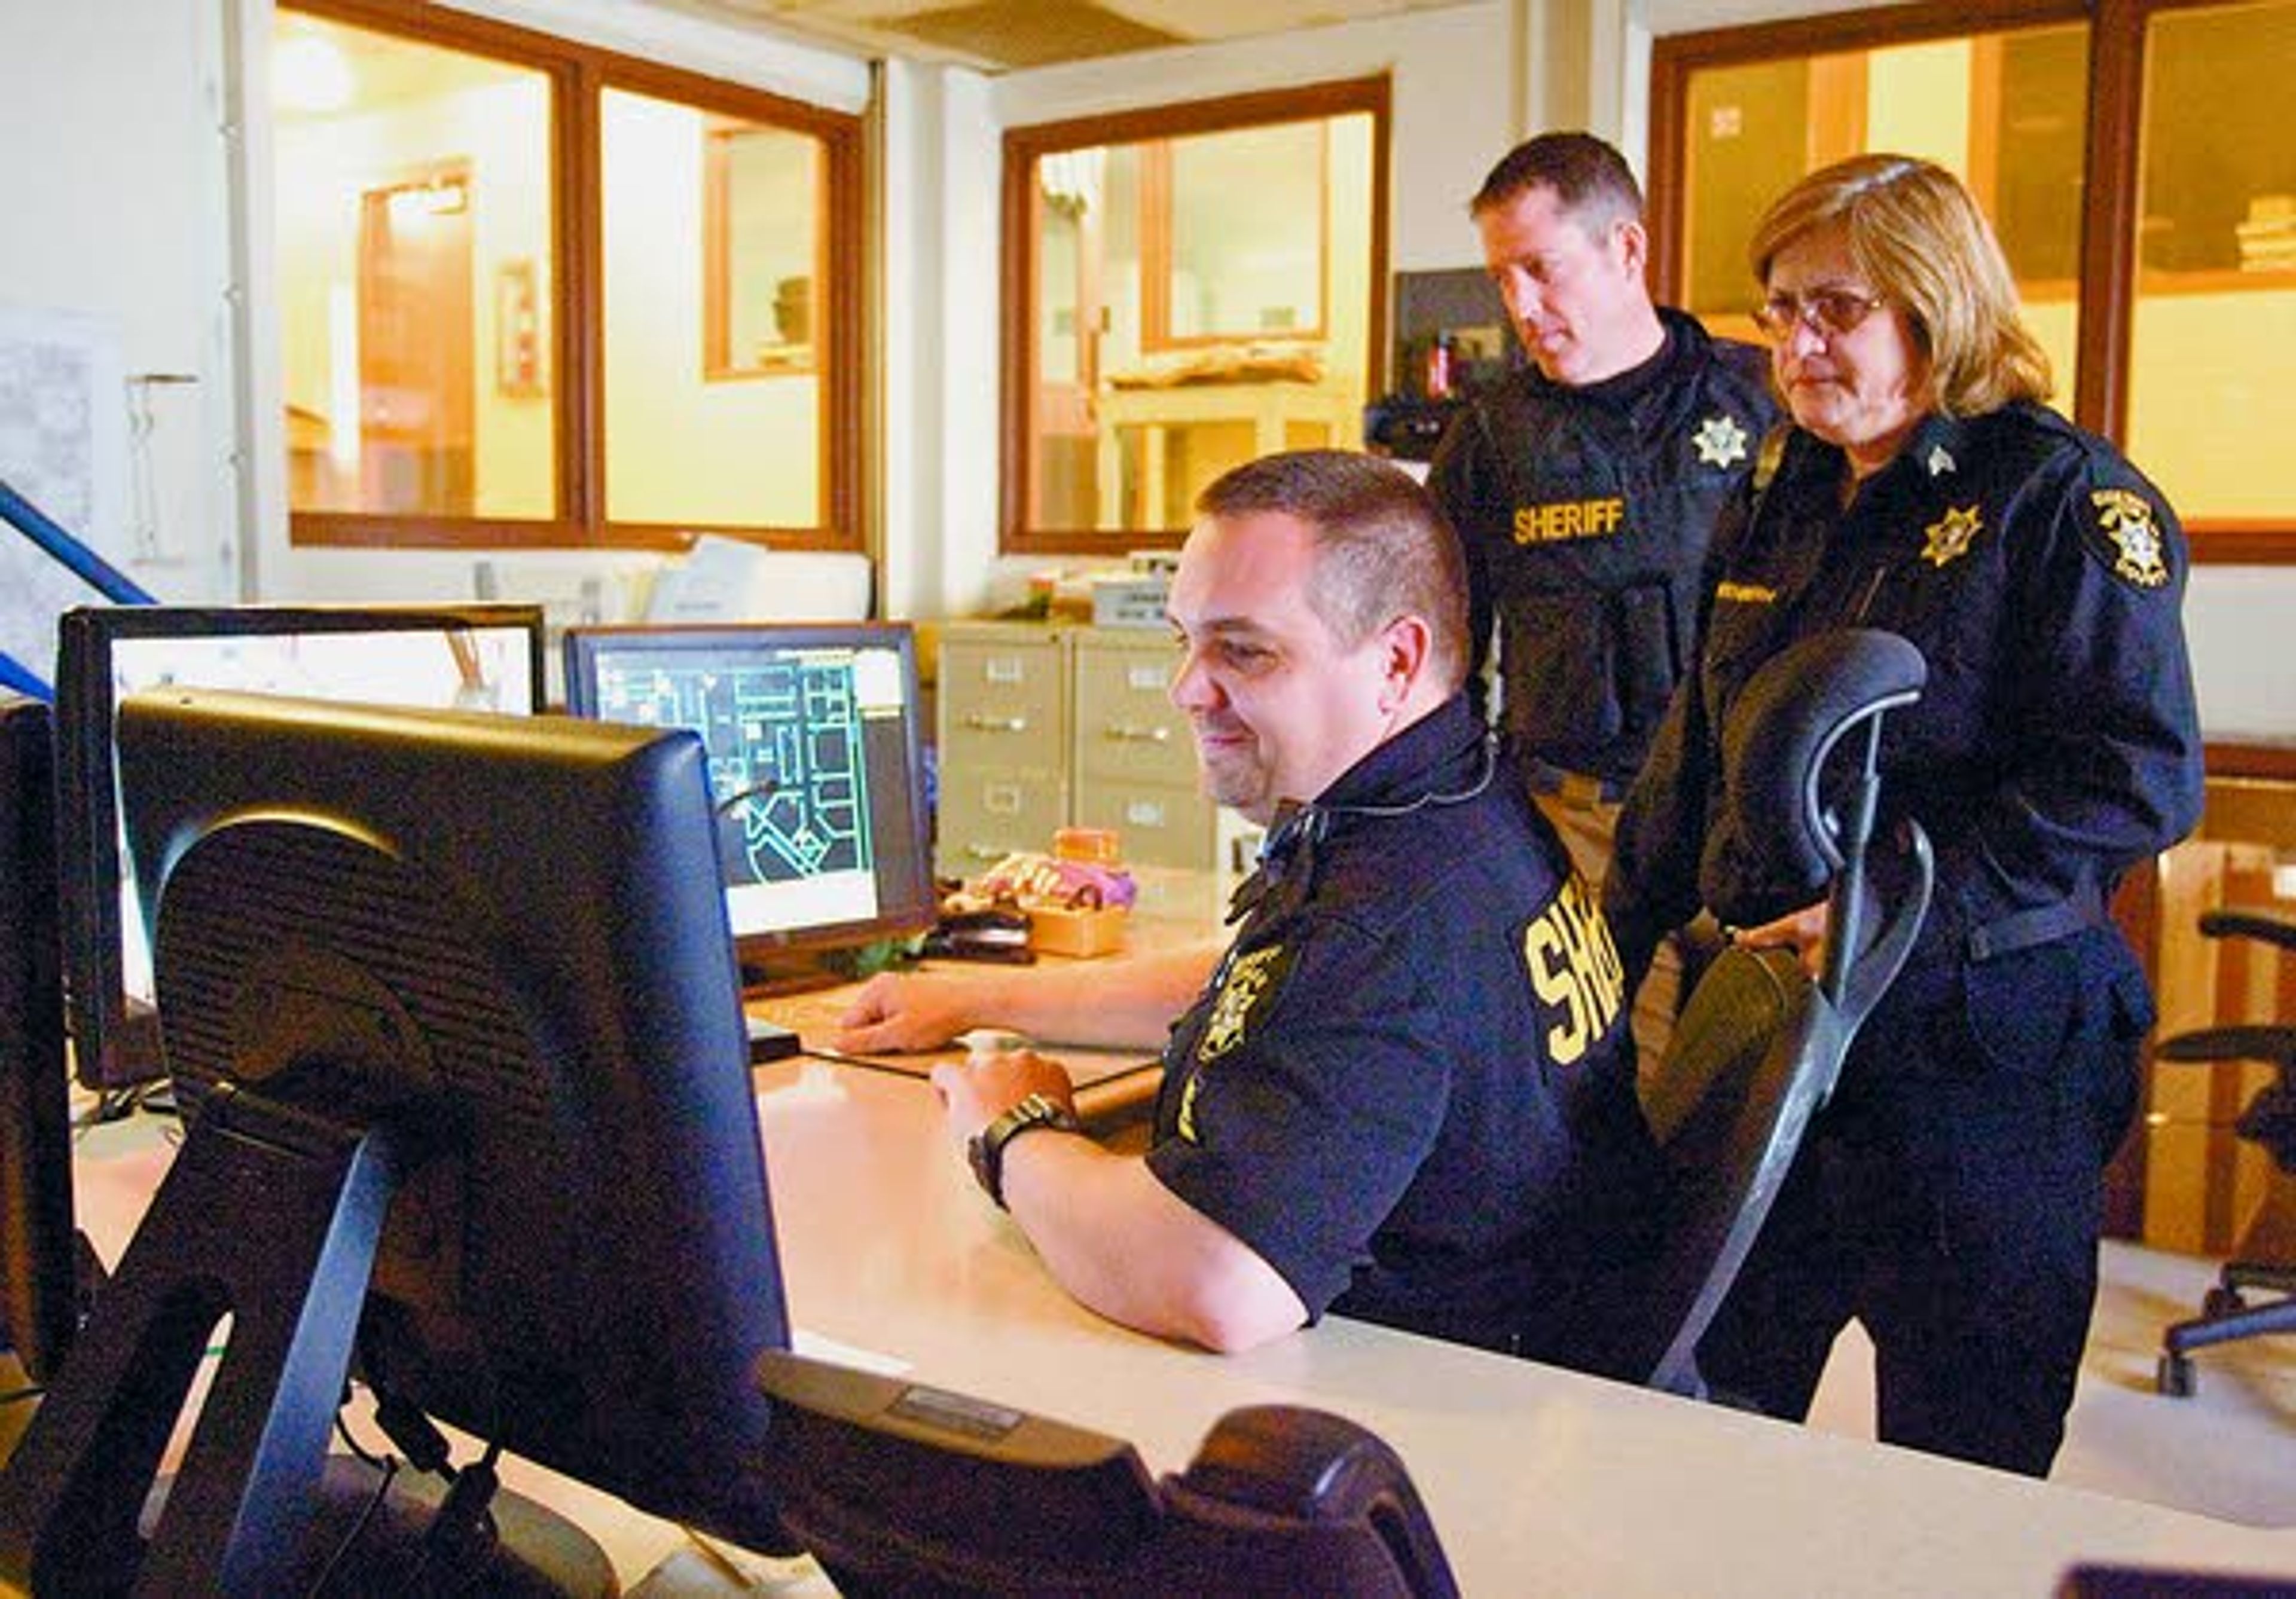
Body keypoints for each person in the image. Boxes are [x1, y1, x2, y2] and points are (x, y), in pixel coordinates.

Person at [1604, 154, 2204, 1476]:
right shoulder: (1785, 496)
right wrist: (1605, 966)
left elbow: (2136, 776)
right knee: (1715, 1412)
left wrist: (1887, 918)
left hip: (1979, 1053)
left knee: (1963, 1459)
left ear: (1938, 307)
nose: (1797, 344)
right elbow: (1693, 757)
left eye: (1835, 309)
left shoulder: (2064, 501)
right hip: (1776, 1046)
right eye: (1777, 310)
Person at [915, 449, 1663, 1361]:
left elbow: (1218, 1282)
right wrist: (978, 1001)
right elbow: (1284, 992)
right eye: (1182, 641)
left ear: (1395, 660)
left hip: (1434, 1432)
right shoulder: (1458, 806)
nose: (1188, 688)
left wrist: (1013, 1132)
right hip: (1533, 1377)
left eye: (1244, 650)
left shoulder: (1384, 917)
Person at [1427, 131, 1780, 1068]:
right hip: (1578, 828)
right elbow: (1445, 656)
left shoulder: (1762, 406)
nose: (1522, 308)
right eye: (1503, 280)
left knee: (1750, 1098)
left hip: (1748, 821)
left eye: (1542, 270)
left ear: (1627, 249)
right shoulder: (1494, 440)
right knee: (1619, 1087)